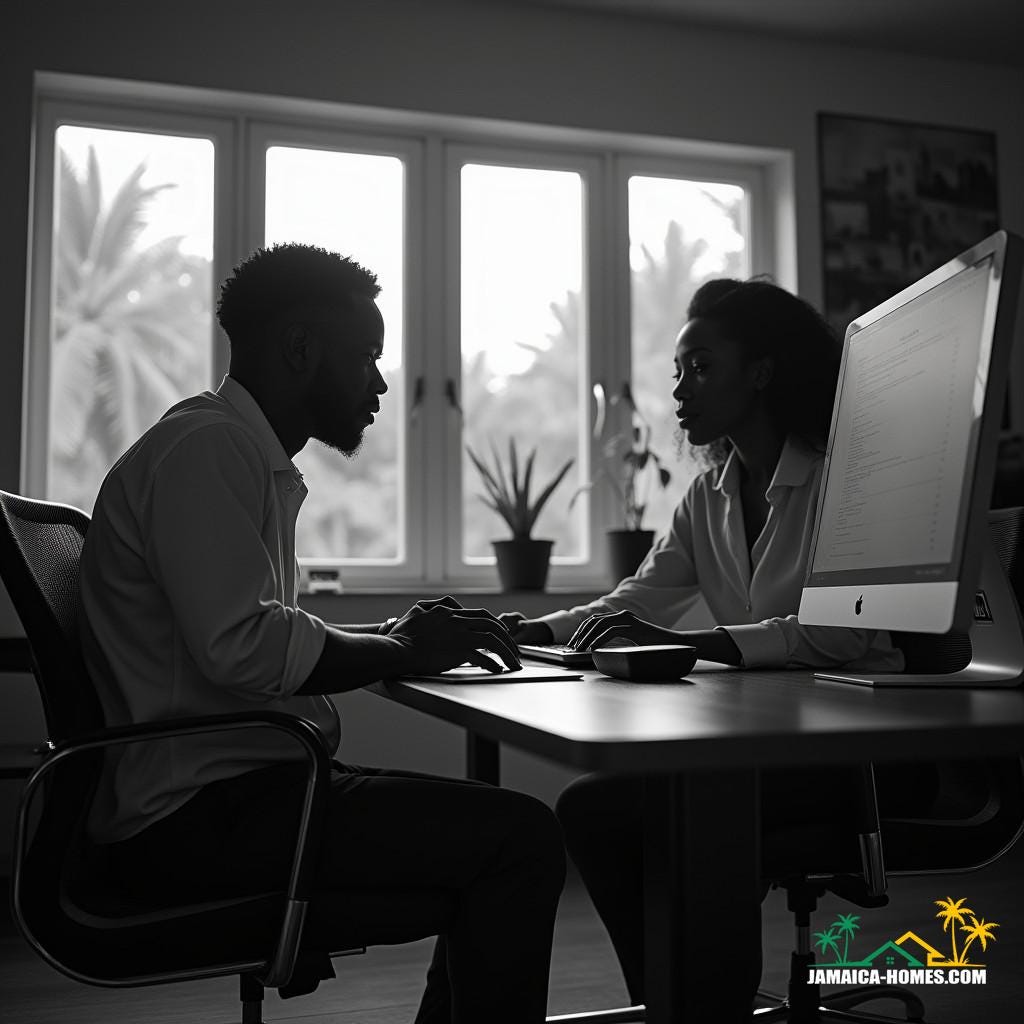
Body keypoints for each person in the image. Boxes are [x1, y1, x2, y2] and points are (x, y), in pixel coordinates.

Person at [79, 242, 565, 1024]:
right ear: (299, 348)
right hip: (198, 818)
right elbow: (244, 645)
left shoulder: (232, 451)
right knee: (522, 840)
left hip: (240, 797)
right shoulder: (209, 448)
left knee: (490, 838)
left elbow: (256, 631)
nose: (379, 381)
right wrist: (404, 649)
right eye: (366, 354)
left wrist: (396, 634)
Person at [500, 277, 937, 1010]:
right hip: (761, 744)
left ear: (761, 371)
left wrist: (689, 646)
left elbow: (841, 632)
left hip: (860, 753)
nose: (679, 390)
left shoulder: (847, 478)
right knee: (592, 807)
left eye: (700, 367)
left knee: (654, 811)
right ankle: (679, 1003)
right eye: (677, 371)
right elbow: (635, 601)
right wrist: (531, 631)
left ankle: (699, 1003)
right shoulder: (709, 494)